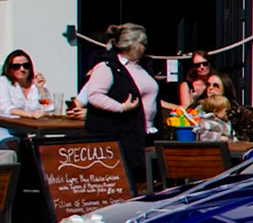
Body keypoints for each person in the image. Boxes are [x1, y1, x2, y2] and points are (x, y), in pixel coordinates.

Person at [79, 23, 161, 188]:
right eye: (143, 44)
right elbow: (94, 95)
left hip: (145, 134)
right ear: (132, 45)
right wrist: (121, 107)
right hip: (123, 136)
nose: (145, 48)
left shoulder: (141, 66)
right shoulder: (107, 66)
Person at [1, 50, 59, 119]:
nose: (22, 69)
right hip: (10, 127)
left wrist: (41, 89)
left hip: (32, 127)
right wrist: (31, 114)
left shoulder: (36, 83)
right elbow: (6, 108)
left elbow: (49, 109)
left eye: (26, 65)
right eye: (16, 66)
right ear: (9, 68)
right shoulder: (3, 82)